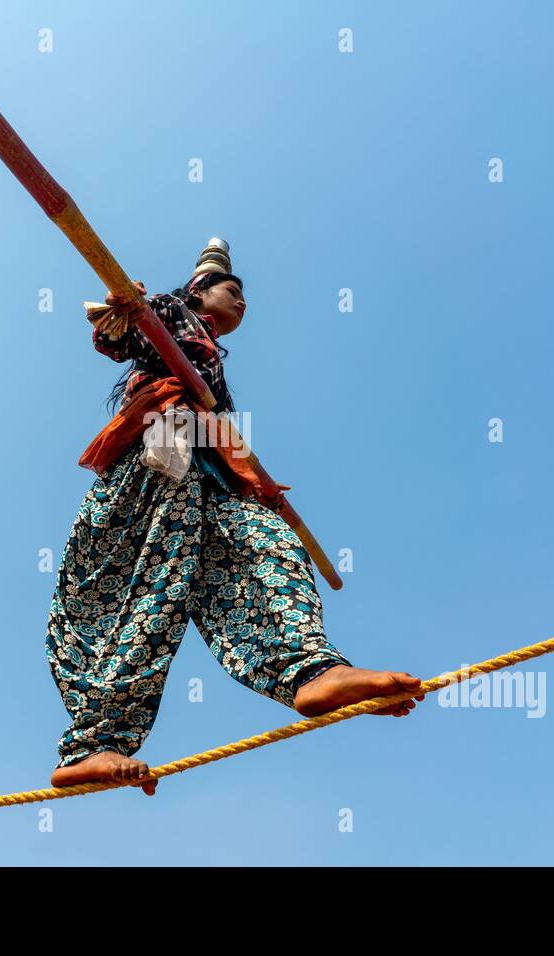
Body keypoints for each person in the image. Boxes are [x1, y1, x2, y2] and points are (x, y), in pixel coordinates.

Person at [45, 239, 423, 795]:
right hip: (159, 458)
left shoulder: (211, 356)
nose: (242, 304)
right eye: (232, 290)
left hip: (210, 478)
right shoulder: (173, 312)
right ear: (199, 290)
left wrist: (254, 478)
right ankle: (94, 742)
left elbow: (219, 431)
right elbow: (112, 335)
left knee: (269, 545)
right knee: (151, 591)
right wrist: (127, 307)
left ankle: (312, 671)